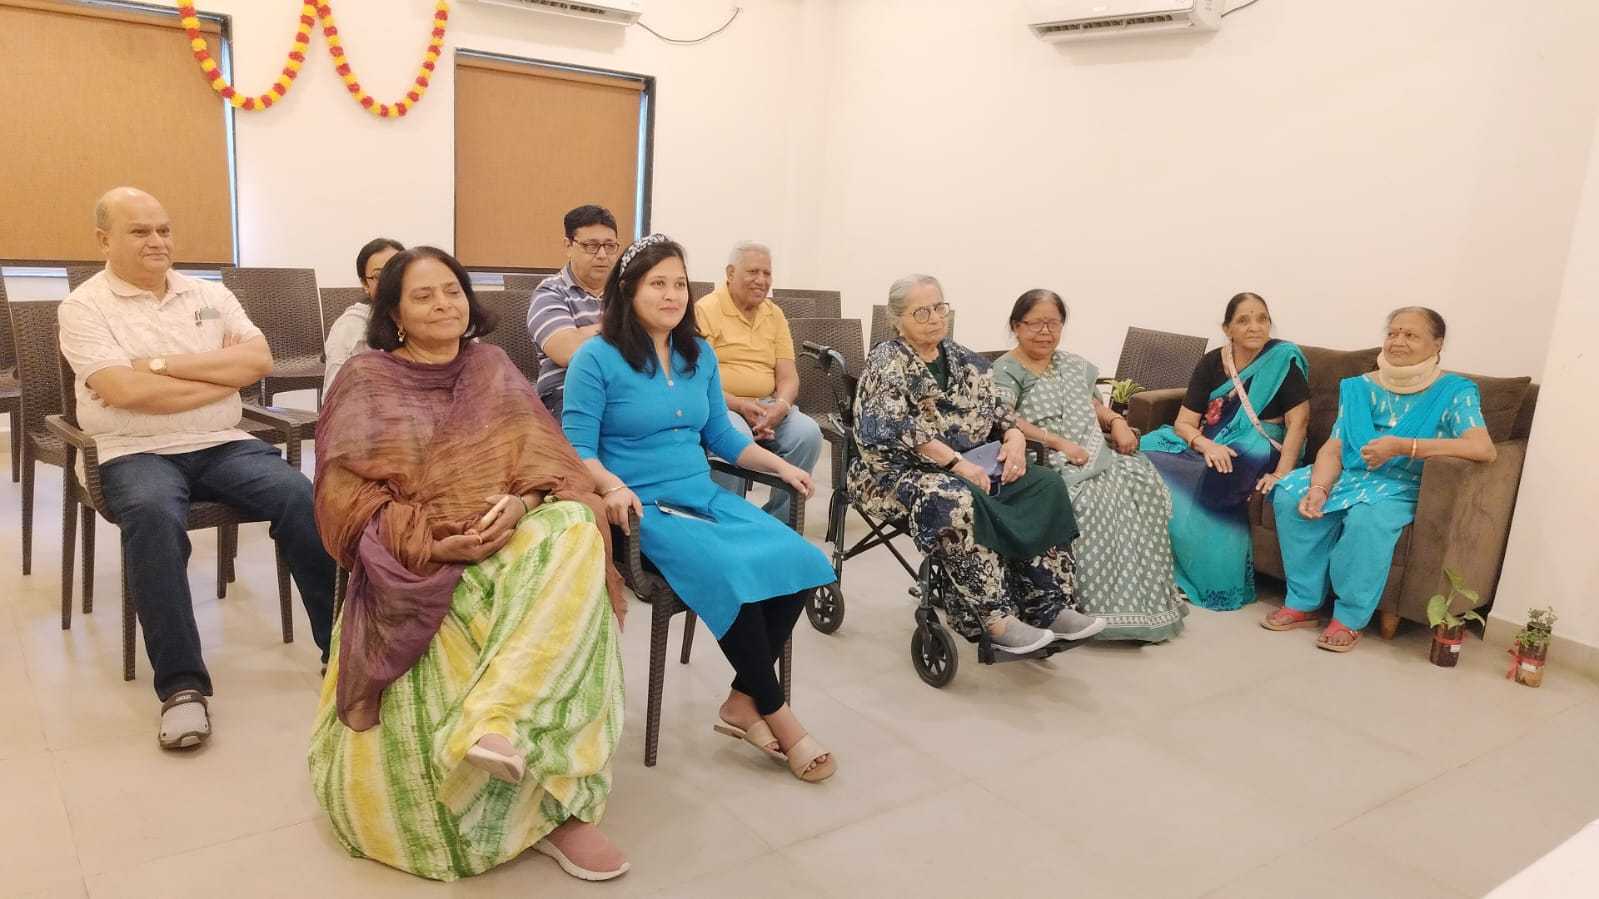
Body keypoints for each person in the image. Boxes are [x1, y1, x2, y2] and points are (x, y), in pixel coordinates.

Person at [309, 246, 630, 882]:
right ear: (393, 314)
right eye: (423, 295)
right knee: (544, 597)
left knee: (574, 525)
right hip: (416, 553)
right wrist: (431, 543)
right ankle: (524, 785)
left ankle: (498, 726)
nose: (443, 304)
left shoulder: (491, 365)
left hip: (504, 532)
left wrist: (522, 503)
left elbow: (547, 464)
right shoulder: (367, 379)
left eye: (452, 290)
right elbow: (343, 500)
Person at [57, 187, 335, 749]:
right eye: (140, 231)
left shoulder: (210, 294)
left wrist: (155, 367)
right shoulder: (84, 306)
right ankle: (182, 688)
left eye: (164, 229)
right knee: (153, 518)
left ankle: (344, 651)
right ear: (104, 240)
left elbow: (257, 360)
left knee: (301, 498)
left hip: (222, 441)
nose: (157, 241)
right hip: (131, 451)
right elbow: (121, 390)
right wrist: (216, 379)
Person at [561, 234, 839, 783]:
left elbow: (722, 436)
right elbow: (576, 448)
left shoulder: (697, 354)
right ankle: (778, 713)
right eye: (657, 284)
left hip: (702, 496)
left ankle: (741, 700)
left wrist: (780, 466)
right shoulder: (596, 358)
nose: (672, 295)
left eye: (679, 284)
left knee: (802, 561)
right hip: (642, 510)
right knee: (732, 572)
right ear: (629, 290)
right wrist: (612, 485)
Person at [848, 275, 1102, 654]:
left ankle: (1047, 605)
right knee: (956, 499)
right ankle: (993, 617)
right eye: (922, 312)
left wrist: (1014, 438)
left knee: (1044, 484)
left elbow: (1001, 410)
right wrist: (956, 464)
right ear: (898, 320)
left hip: (969, 466)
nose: (935, 318)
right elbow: (896, 427)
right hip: (892, 474)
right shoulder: (887, 362)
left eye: (940, 307)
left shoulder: (965, 360)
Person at [1265, 307, 1495, 652]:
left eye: (1411, 335)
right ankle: (1304, 602)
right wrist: (1319, 487)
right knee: (1289, 495)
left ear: (1437, 344)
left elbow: (1483, 448)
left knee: (1366, 517)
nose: (1398, 341)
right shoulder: (1359, 387)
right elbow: (1335, 447)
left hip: (1403, 483)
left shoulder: (1454, 391)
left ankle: (1349, 618)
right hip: (1352, 475)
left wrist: (1406, 446)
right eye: (1393, 333)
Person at [992, 289, 1181, 642]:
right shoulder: (1006, 369)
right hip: (1042, 458)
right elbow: (1005, 418)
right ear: (1017, 326)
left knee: (1141, 485)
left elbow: (1095, 407)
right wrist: (1059, 442)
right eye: (1036, 323)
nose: (1045, 332)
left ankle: (1145, 603)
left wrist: (1117, 422)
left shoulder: (1073, 365)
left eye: (1054, 323)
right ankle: (1082, 607)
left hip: (1093, 452)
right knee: (1094, 500)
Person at [1140, 293, 1310, 611]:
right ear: (1227, 328)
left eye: (1262, 318)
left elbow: (1298, 422)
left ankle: (1212, 582)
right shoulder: (1212, 362)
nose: (1255, 326)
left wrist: (1281, 473)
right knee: (1143, 456)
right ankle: (1158, 566)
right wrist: (1206, 445)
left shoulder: (1283, 359)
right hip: (1213, 439)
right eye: (1243, 320)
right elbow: (1184, 423)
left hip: (1261, 445)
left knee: (1219, 471)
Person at [695, 241, 823, 522]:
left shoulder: (774, 314)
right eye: (753, 272)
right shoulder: (706, 310)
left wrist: (781, 406)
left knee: (808, 434)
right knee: (735, 436)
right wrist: (741, 405)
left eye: (767, 273)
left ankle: (780, 521)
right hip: (723, 403)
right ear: (730, 273)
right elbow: (697, 380)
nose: (761, 280)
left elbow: (788, 376)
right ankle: (727, 520)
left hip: (767, 405)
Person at [526, 205, 620, 416]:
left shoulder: (629, 291)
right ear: (568, 246)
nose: (602, 255)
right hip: (568, 392)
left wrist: (584, 333)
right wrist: (626, 327)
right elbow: (567, 351)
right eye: (591, 246)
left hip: (624, 389)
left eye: (610, 246)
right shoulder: (550, 292)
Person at [322, 237, 403, 388]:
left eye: (397, 272)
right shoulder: (350, 327)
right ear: (365, 284)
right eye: (378, 276)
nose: (390, 282)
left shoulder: (421, 319)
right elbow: (335, 393)